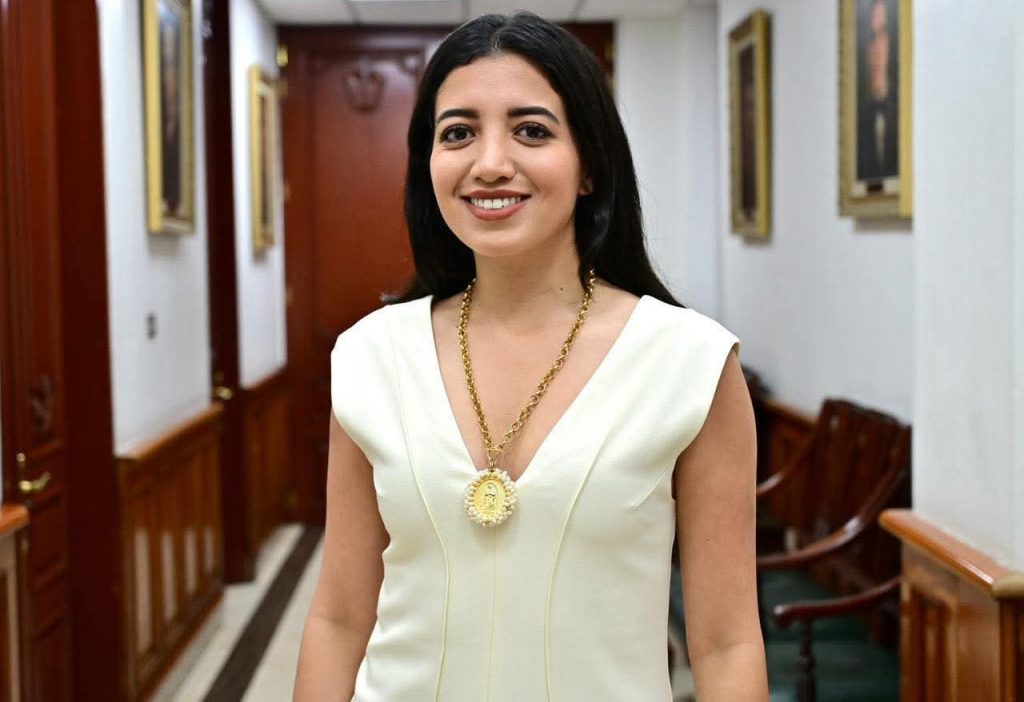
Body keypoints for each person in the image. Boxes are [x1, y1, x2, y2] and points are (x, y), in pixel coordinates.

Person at [294, 12, 767, 700]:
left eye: (532, 131)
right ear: (429, 165)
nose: (489, 163)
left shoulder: (688, 363)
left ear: (589, 166)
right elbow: (339, 619)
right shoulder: (372, 355)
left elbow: (726, 644)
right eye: (458, 133)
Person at [856, 0, 899, 183]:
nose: (877, 50)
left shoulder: (903, 111)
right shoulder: (860, 118)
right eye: (872, 37)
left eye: (883, 34)